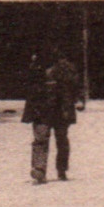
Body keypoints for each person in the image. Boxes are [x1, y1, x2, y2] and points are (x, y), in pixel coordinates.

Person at [24, 52, 80, 183]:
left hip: (60, 109)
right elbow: (29, 86)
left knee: (61, 139)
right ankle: (39, 170)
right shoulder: (35, 67)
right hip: (41, 109)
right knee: (40, 139)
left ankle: (62, 169)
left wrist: (77, 100)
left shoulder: (65, 68)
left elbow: (74, 85)